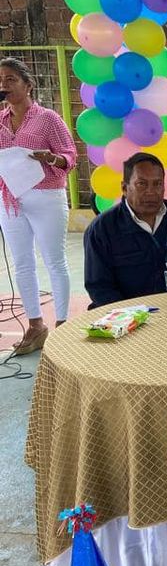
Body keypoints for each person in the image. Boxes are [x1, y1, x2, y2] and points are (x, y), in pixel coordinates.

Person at [0, 57, 77, 354]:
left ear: (28, 85)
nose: (4, 85)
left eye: (10, 79)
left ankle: (63, 325)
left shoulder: (48, 119)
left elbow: (70, 156)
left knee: (54, 260)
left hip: (46, 196)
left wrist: (51, 158)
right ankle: (35, 326)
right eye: (1, 81)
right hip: (10, 199)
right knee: (22, 263)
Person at [84, 152, 167, 308]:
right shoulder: (102, 229)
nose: (151, 191)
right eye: (141, 184)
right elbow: (99, 287)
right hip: (126, 314)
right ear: (124, 188)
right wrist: (133, 314)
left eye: (157, 184)